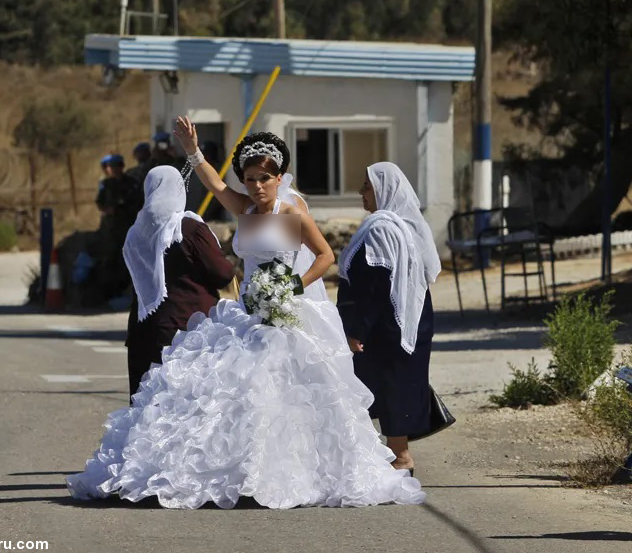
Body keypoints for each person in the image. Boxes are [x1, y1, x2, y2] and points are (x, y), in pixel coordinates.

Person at [67, 117, 423, 509]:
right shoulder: (246, 211)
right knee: (228, 389)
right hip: (250, 311)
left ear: (279, 178)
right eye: (250, 178)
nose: (256, 186)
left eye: (264, 179)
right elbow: (216, 185)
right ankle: (236, 470)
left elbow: (325, 256)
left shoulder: (290, 214)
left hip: (287, 314)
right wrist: (193, 151)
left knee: (285, 393)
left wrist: (294, 287)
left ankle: (292, 471)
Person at [337, 162, 441, 475]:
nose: (361, 192)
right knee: (391, 385)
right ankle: (392, 453)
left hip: (387, 327)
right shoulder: (399, 225)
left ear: (385, 190)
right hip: (402, 321)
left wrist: (358, 329)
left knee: (386, 386)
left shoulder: (383, 228)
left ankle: (401, 458)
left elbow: (377, 284)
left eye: (367, 186)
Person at [122, 166, 236, 399]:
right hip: (187, 326)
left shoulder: (136, 230)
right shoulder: (188, 227)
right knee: (181, 404)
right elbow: (222, 273)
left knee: (147, 403)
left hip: (143, 328)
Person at [96, 155, 143, 299]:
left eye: (117, 166)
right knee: (111, 259)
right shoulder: (107, 184)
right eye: (112, 167)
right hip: (112, 228)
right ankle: (111, 292)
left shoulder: (132, 183)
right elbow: (100, 202)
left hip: (129, 225)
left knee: (129, 260)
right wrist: (109, 210)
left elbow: (138, 203)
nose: (114, 170)